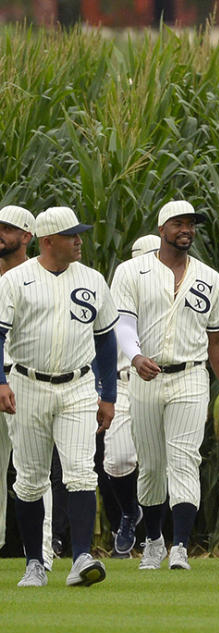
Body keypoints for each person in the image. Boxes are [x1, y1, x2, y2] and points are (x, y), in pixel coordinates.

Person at [111, 200, 219, 571]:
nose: (186, 229)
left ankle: (180, 546)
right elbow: (123, 324)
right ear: (162, 228)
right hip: (145, 376)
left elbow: (218, 342)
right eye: (178, 223)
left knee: (184, 459)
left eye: (191, 224)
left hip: (191, 376)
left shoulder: (209, 278)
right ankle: (153, 540)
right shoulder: (132, 271)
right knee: (150, 464)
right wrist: (135, 356)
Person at [0, 206, 119, 587]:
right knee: (31, 479)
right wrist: (0, 382)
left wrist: (109, 395)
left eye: (79, 233)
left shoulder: (93, 279)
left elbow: (105, 339)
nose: (79, 240)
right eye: (72, 235)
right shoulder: (16, 280)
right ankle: (35, 561)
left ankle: (81, 556)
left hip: (78, 385)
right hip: (27, 383)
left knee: (82, 471)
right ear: (49, 241)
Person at [0, 206, 55, 569]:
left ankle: (44, 549)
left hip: (23, 380)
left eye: (8, 228)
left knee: (32, 468)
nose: (0, 233)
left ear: (27, 236)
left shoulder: (39, 276)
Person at [104, 234, 161, 558]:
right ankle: (129, 512)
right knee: (118, 460)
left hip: (164, 382)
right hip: (124, 383)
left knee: (159, 465)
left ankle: (158, 538)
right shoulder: (115, 297)